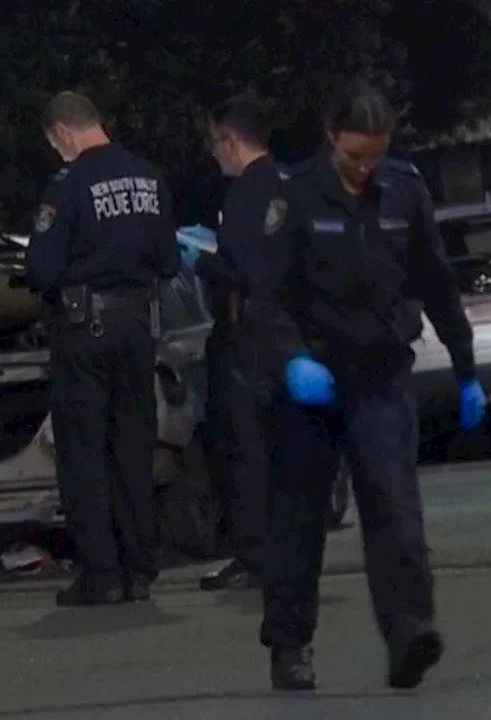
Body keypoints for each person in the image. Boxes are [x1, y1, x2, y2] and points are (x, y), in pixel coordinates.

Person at [251, 79, 486, 691]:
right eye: (354, 155)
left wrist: (466, 368)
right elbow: (266, 297)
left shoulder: (404, 191)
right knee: (298, 519)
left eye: (373, 156)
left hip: (380, 373)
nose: (362, 167)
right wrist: (292, 360)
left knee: (395, 508)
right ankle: (290, 646)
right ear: (332, 138)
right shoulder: (295, 197)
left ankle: (410, 630)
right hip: (311, 382)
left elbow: (436, 281)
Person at [25, 91, 181, 606]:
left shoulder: (67, 186)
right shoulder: (149, 176)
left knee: (84, 452)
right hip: (139, 327)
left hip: (84, 329)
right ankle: (140, 567)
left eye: (56, 145)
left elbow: (41, 271)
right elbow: (168, 261)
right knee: (133, 448)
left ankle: (103, 574)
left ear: (64, 133)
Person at [177, 94, 285, 592]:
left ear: (230, 141)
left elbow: (240, 269)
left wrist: (197, 258)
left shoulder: (243, 192)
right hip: (282, 333)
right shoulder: (287, 184)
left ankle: (255, 555)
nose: (213, 157)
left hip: (246, 334)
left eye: (215, 145)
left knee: (244, 446)